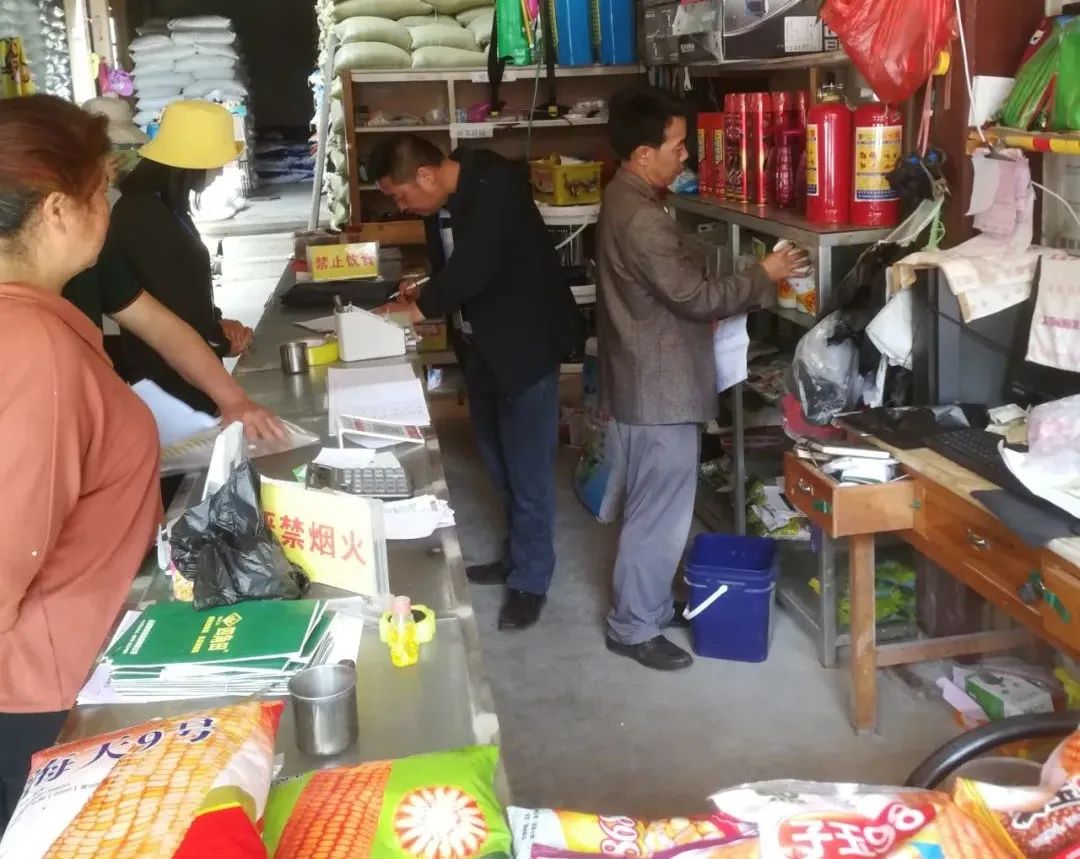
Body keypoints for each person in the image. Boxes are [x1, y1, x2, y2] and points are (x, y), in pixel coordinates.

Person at [596, 87, 808, 671]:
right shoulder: (642, 217)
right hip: (658, 389)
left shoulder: (625, 195)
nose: (686, 155)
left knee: (653, 507)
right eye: (678, 145)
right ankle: (632, 627)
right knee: (658, 516)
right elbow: (694, 297)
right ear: (644, 153)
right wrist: (763, 273)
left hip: (642, 377)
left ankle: (646, 604)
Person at [0, 95, 162, 829]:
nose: (109, 210)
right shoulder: (31, 347)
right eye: (101, 192)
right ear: (59, 210)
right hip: (48, 701)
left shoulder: (36, 320)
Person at [369, 134, 583, 631]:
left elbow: (477, 264)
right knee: (498, 461)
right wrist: (425, 285)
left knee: (528, 472)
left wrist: (414, 312)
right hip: (480, 345)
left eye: (401, 195)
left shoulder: (494, 187)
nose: (402, 206)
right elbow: (454, 264)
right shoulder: (441, 203)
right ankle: (515, 557)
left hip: (525, 348)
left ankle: (531, 580)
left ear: (425, 174)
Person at [103, 100, 264, 420]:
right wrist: (217, 341)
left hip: (191, 369)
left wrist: (217, 322)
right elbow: (168, 311)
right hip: (170, 378)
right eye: (215, 162)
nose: (219, 170)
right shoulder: (142, 215)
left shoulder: (165, 206)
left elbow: (183, 288)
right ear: (193, 162)